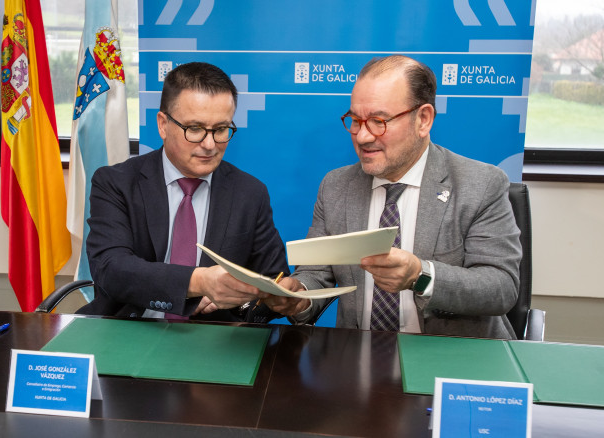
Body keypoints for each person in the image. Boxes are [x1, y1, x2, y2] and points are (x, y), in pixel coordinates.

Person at [265, 55, 521, 339]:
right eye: (355, 120)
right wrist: (299, 297)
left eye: (378, 121)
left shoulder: (481, 184)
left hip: (450, 362)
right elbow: (316, 274)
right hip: (359, 360)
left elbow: (501, 287)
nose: (362, 136)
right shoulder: (336, 186)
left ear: (423, 119)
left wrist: (420, 275)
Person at [77, 62, 288, 322]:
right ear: (163, 125)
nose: (210, 144)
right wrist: (196, 281)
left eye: (221, 129)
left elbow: (272, 280)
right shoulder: (116, 183)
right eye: (196, 129)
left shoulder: (249, 193)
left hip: (212, 343)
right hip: (128, 329)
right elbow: (111, 269)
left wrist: (280, 298)